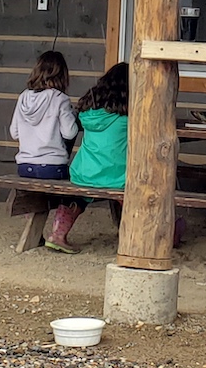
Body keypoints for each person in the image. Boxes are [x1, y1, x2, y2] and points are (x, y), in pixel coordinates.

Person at [9, 51, 82, 251]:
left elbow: (14, 133)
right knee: (77, 186)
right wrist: (71, 115)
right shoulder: (60, 99)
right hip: (51, 166)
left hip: (25, 166)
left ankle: (34, 228)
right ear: (61, 74)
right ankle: (58, 232)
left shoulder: (23, 97)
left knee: (37, 193)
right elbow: (70, 132)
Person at [56, 63, 130, 248]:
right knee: (139, 195)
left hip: (84, 173)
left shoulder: (88, 112)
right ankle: (137, 238)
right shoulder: (129, 116)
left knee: (77, 198)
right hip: (119, 177)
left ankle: (57, 234)